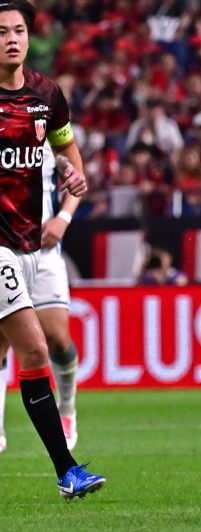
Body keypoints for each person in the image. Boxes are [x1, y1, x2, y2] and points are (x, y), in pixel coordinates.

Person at [0, 0, 105, 499]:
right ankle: (67, 470)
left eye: (18, 30)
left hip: (30, 242)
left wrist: (70, 171)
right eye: (1, 32)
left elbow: (65, 147)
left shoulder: (46, 95)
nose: (11, 39)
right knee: (36, 347)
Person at [0, 143, 83, 453]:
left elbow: (72, 165)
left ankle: (67, 409)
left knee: (57, 339)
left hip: (42, 249)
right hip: (2, 250)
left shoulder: (41, 112)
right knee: (3, 336)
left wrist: (63, 218)